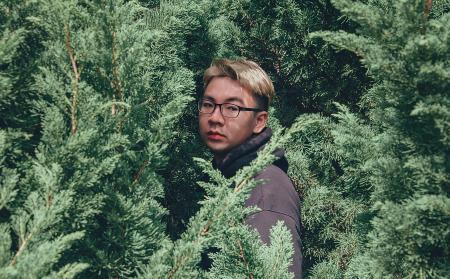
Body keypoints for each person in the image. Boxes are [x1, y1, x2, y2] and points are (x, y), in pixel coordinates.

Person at [198, 58, 302, 278]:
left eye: (232, 108)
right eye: (208, 105)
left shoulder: (265, 191)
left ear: (259, 121)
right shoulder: (231, 178)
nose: (215, 118)